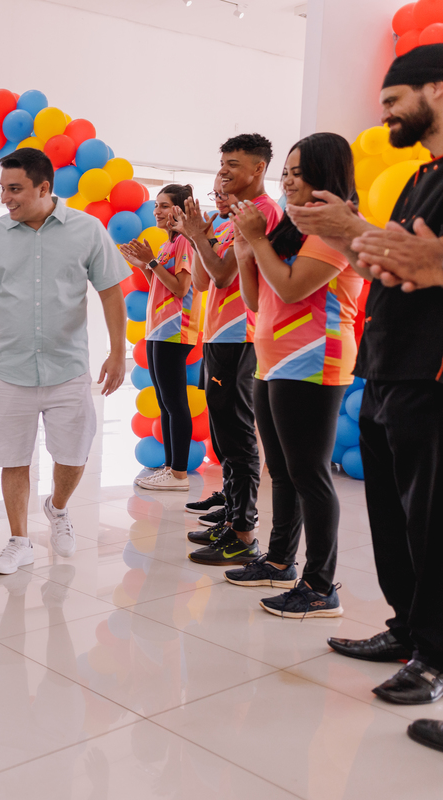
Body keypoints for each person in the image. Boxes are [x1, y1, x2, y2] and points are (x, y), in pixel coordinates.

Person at [288, 44, 443, 711]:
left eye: (392, 103)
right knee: (391, 519)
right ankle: (407, 630)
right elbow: (397, 262)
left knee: (431, 525)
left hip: (430, 372)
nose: (383, 119)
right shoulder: (419, 178)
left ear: (435, 89)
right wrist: (356, 237)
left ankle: (434, 658)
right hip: (384, 365)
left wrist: (357, 232)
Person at [0, 147, 129, 576]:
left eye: (15, 189)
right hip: (11, 370)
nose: (5, 198)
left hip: (68, 369)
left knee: (74, 454)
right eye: (2, 190)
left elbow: (111, 292)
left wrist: (118, 352)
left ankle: (58, 508)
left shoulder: (88, 230)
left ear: (43, 188)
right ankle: (18, 540)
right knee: (14, 458)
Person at [223, 132, 362, 619]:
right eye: (286, 172)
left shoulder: (334, 232)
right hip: (273, 360)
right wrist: (245, 251)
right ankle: (280, 562)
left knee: (310, 475)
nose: (288, 181)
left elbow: (290, 283)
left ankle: (321, 586)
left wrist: (257, 241)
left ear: (328, 176)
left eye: (299, 173)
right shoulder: (292, 231)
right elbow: (258, 299)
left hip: (313, 361)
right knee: (281, 471)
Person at [174, 136, 283, 564]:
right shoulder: (230, 217)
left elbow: (221, 277)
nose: (223, 171)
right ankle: (232, 520)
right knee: (223, 436)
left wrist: (199, 237)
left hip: (243, 335)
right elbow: (203, 282)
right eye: (221, 164)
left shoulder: (263, 214)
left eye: (232, 164)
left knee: (237, 437)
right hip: (219, 334)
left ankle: (244, 534)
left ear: (258, 169)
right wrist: (197, 235)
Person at [121, 184, 201, 492]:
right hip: (158, 328)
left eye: (164, 206)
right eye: (156, 205)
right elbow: (160, 284)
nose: (157, 211)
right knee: (165, 402)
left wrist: (152, 262)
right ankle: (170, 467)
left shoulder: (185, 242)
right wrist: (146, 265)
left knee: (174, 401)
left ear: (179, 209)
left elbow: (181, 289)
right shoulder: (169, 244)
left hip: (174, 329)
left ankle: (178, 473)